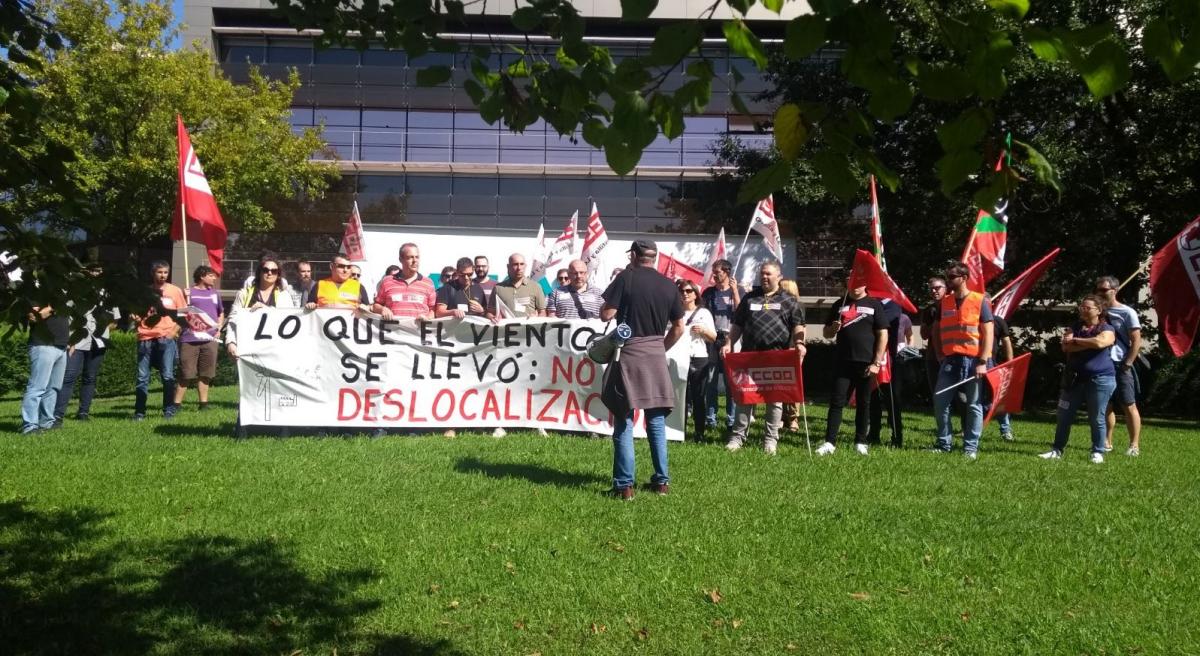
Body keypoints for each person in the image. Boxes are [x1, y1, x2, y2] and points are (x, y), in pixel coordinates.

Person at [600, 240, 685, 499]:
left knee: (624, 418)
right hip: (656, 354)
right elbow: (679, 327)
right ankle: (662, 482)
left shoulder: (626, 278)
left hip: (629, 353)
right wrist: (660, 348)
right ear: (654, 257)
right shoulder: (669, 284)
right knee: (656, 420)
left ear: (634, 255)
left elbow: (606, 314)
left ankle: (624, 486)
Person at [724, 261, 807, 455]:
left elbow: (798, 325)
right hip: (749, 356)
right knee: (744, 398)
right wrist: (729, 343)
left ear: (779, 277)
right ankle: (737, 438)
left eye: (768, 274)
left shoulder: (789, 300)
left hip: (776, 357)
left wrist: (800, 343)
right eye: (762, 273)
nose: (764, 277)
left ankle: (770, 440)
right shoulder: (749, 298)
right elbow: (738, 324)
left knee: (775, 401)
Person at [1039, 295, 1117, 463]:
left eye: (1087, 308)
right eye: (1082, 307)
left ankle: (1097, 451)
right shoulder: (1075, 326)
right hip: (1074, 379)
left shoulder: (1107, 328)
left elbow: (1101, 343)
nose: (1083, 310)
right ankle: (1057, 450)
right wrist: (1088, 343)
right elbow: (1066, 347)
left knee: (1096, 417)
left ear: (1098, 310)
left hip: (1101, 379)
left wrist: (1076, 341)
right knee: (1064, 415)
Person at [227, 256, 297, 438]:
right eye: (266, 270)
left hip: (275, 349)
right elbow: (233, 319)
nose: (269, 273)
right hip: (249, 349)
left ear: (278, 275)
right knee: (248, 388)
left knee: (279, 387)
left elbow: (288, 320)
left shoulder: (283, 296)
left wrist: (266, 309)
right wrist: (231, 342)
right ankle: (242, 429)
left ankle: (282, 429)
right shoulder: (244, 293)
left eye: (274, 271)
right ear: (259, 272)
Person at [930, 262, 995, 459]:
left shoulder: (979, 300)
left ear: (964, 278)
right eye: (947, 277)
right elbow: (936, 329)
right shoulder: (945, 302)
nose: (948, 280)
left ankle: (970, 448)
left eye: (952, 277)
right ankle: (944, 444)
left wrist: (983, 361)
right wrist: (940, 354)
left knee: (974, 405)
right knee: (940, 401)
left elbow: (988, 332)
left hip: (973, 361)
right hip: (950, 361)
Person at [816, 283, 886, 456]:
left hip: (866, 362)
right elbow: (826, 333)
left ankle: (861, 442)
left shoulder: (874, 304)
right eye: (851, 282)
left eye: (859, 283)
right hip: (842, 362)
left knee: (864, 403)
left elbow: (883, 334)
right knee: (836, 402)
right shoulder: (839, 304)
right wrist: (832, 329)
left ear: (865, 284)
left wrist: (877, 362)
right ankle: (830, 442)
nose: (855, 286)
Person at [54, 264, 118, 423]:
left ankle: (83, 412)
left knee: (90, 377)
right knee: (69, 376)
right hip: (76, 341)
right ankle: (58, 414)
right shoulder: (74, 291)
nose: (96, 273)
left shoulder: (106, 294)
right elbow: (64, 315)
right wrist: (70, 339)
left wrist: (103, 331)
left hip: (98, 342)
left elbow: (115, 320)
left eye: (99, 270)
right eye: (93, 270)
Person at [130, 260, 187, 420]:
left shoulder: (175, 291)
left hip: (165, 337)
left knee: (167, 376)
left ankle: (168, 410)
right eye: (159, 272)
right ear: (153, 273)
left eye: (165, 272)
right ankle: (139, 412)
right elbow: (136, 312)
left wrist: (172, 332)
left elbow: (183, 314)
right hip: (146, 337)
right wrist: (135, 317)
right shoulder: (145, 292)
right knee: (142, 377)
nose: (163, 275)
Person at [1096, 276, 1142, 456]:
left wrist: (1127, 363)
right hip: (1102, 363)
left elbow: (1136, 340)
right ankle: (1107, 441)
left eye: (1103, 290)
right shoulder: (1097, 312)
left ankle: (1134, 445)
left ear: (1114, 291)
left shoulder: (1127, 312)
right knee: (1106, 405)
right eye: (1098, 290)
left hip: (1120, 364)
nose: (1099, 293)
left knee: (1128, 404)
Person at [174, 265, 223, 411]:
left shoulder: (214, 293)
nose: (214, 278)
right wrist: (185, 298)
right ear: (202, 276)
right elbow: (179, 313)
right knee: (186, 373)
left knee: (206, 374)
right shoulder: (188, 292)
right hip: (190, 338)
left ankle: (203, 404)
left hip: (210, 338)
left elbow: (220, 312)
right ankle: (176, 405)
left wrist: (219, 327)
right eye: (211, 275)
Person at [701, 259, 741, 432]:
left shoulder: (737, 291)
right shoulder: (709, 293)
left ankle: (731, 420)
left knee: (731, 382)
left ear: (727, 272)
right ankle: (711, 418)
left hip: (731, 339)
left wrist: (735, 291)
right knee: (710, 381)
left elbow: (741, 313)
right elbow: (702, 312)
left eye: (717, 272)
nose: (714, 276)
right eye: (713, 272)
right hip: (712, 338)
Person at [20, 302, 70, 434]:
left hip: (61, 346)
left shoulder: (64, 296)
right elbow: (34, 316)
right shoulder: (39, 294)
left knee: (53, 388)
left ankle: (46, 422)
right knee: (37, 387)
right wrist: (53, 307)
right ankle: (29, 426)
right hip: (42, 344)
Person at [678, 279, 716, 442]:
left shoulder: (704, 313)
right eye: (682, 291)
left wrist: (703, 330)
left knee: (698, 396)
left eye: (689, 291)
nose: (685, 294)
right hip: (679, 357)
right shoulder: (675, 311)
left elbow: (713, 337)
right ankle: (679, 431)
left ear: (695, 294)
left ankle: (699, 431)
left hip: (699, 357)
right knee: (680, 396)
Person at [867, 297, 905, 448]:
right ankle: (873, 434)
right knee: (873, 398)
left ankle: (897, 437)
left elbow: (879, 323)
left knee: (892, 400)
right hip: (871, 357)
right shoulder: (872, 304)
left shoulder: (893, 306)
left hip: (889, 361)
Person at [374, 243, 437, 320]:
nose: (415, 260)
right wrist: (382, 309)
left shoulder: (428, 283)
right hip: (393, 327)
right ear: (401, 259)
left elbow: (433, 310)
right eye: (410, 257)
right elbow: (376, 306)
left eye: (417, 257)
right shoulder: (387, 281)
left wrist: (427, 318)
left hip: (418, 328)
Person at [488, 253, 547, 319]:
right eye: (515, 264)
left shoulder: (536, 287)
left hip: (528, 326)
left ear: (525, 266)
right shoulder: (498, 288)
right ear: (508, 266)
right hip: (506, 326)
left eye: (522, 264)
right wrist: (492, 318)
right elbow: (490, 312)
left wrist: (536, 319)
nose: (519, 268)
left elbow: (542, 312)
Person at [778, 279, 803, 432]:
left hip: (793, 349)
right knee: (779, 384)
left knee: (793, 385)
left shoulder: (798, 306)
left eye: (781, 288)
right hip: (779, 349)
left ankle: (793, 417)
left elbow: (801, 328)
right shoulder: (776, 305)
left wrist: (800, 346)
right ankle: (781, 416)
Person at [988, 313, 1015, 441]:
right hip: (971, 363)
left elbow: (1006, 341)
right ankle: (968, 429)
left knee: (998, 398)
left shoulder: (998, 321)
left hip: (991, 365)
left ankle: (1005, 429)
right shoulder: (970, 318)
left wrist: (1010, 364)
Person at [305, 255, 370, 310]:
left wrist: (365, 307)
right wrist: (310, 305)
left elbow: (367, 308)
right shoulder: (320, 284)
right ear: (331, 266)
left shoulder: (358, 286)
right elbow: (309, 305)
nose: (345, 270)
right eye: (341, 266)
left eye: (348, 267)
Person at [920, 276, 947, 396]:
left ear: (945, 288)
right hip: (933, 356)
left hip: (951, 355)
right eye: (931, 289)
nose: (934, 291)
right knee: (937, 392)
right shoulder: (929, 310)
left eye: (937, 288)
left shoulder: (954, 306)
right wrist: (936, 322)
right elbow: (924, 335)